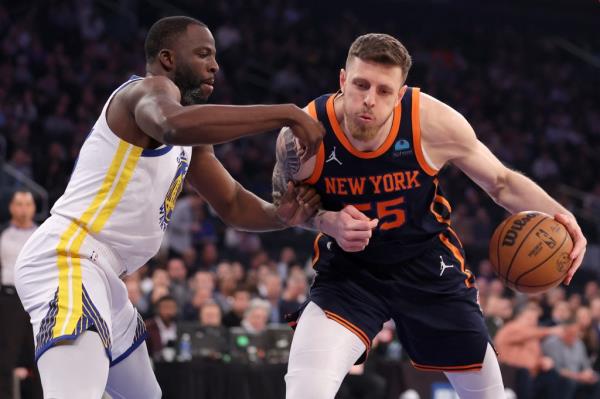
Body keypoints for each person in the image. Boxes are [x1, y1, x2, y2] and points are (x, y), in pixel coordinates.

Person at [14, 16, 322, 399]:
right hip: (69, 257)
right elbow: (174, 124)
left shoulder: (188, 138)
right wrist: (287, 113)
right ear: (167, 59)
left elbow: (231, 202)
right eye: (203, 54)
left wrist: (280, 216)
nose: (215, 65)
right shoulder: (145, 93)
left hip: (105, 274)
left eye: (216, 56)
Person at [272, 33, 588, 399]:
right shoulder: (304, 135)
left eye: (384, 90)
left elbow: (501, 183)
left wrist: (563, 216)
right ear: (343, 80)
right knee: (304, 389)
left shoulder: (432, 122)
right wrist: (328, 222)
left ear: (402, 93)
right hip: (350, 272)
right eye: (360, 85)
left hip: (428, 266)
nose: (369, 100)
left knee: (488, 395)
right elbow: (286, 207)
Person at [0, 190, 40, 398]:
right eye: (19, 204)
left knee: (40, 357)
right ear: (11, 208)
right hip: (10, 300)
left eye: (27, 204)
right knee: (6, 358)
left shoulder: (42, 234)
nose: (23, 209)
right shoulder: (3, 235)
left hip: (36, 300)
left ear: (34, 208)